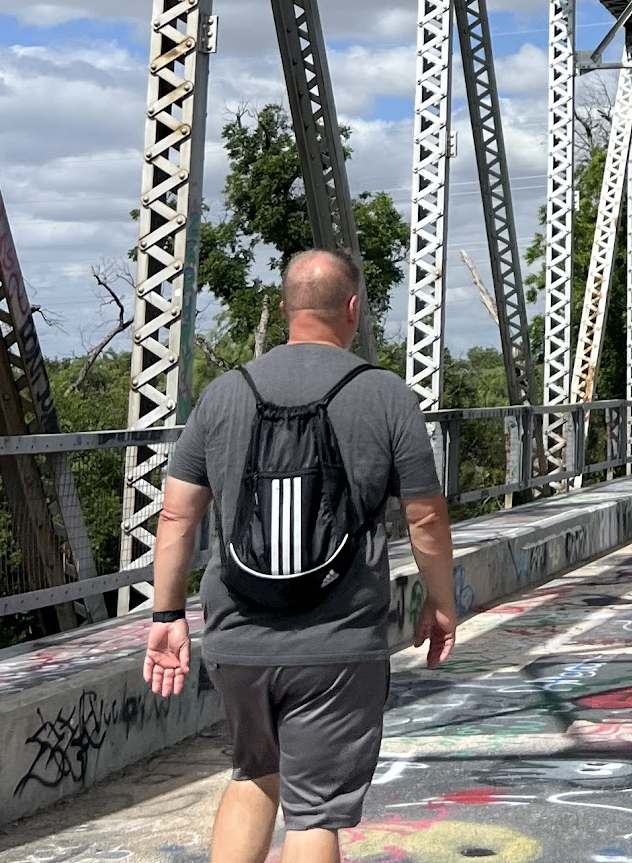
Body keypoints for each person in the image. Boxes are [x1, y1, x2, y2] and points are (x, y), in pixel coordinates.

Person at [141, 248, 458, 863]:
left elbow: (177, 514)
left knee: (253, 772)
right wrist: (440, 602)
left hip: (238, 635)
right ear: (353, 309)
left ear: (286, 309)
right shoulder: (385, 395)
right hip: (336, 642)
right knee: (314, 811)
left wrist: (166, 617)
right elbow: (424, 515)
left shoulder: (225, 393)